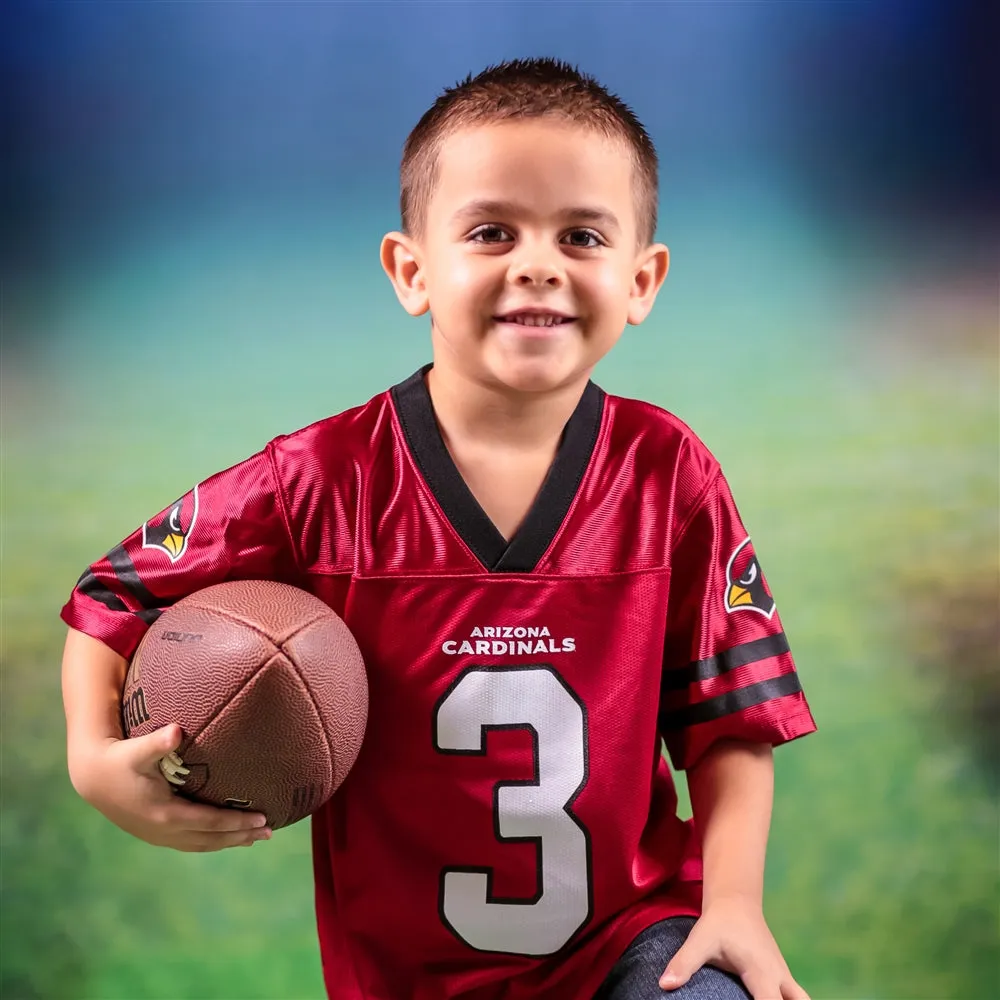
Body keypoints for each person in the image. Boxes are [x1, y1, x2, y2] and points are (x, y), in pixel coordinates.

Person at [60, 58, 817, 1000]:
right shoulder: (319, 479)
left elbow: (730, 723)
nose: (537, 262)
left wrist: (734, 906)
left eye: (581, 235)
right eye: (492, 231)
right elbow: (115, 596)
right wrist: (94, 760)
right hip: (404, 971)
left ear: (641, 280)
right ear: (412, 271)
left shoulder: (669, 473)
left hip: (631, 945)